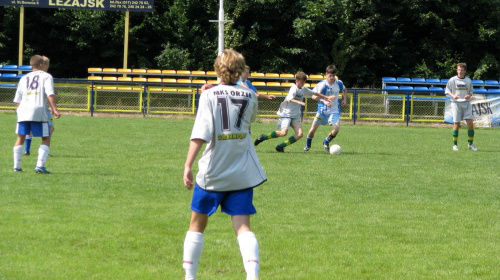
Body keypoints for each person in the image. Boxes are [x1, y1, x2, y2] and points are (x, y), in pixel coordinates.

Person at [182, 49, 267, 280]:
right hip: (241, 171)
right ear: (240, 70)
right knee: (243, 227)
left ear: (218, 69)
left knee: (197, 224)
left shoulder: (208, 95)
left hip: (213, 171)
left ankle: (189, 276)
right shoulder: (250, 95)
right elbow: (249, 122)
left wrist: (188, 165)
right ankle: (252, 276)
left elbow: (201, 134)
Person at [253, 71, 334, 152]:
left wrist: (326, 97)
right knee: (283, 133)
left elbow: (314, 93)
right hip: (286, 114)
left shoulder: (303, 89)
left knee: (300, 134)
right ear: (296, 80)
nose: (303, 84)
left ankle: (280, 146)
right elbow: (290, 99)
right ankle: (263, 137)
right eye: (301, 82)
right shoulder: (293, 88)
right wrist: (300, 102)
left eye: (304, 82)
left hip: (295, 116)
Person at [13, 55, 60, 173]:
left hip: (23, 110)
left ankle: (16, 167)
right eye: (46, 64)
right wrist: (54, 109)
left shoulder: (23, 78)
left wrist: (20, 112)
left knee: (20, 137)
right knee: (46, 137)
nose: (47, 67)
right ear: (41, 65)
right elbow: (50, 93)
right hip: (38, 110)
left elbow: (17, 99)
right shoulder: (46, 76)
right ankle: (39, 165)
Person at [303, 65, 348, 152]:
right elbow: (313, 96)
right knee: (312, 130)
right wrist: (324, 101)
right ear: (326, 74)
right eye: (330, 75)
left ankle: (326, 141)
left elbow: (345, 90)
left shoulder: (339, 83)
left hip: (334, 110)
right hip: (322, 111)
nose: (331, 77)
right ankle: (308, 145)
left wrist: (344, 100)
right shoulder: (321, 85)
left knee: (336, 129)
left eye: (333, 75)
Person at [24, 56, 55, 156]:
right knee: (50, 128)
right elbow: (48, 94)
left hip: (28, 106)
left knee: (29, 129)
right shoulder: (46, 76)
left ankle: (26, 150)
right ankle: (45, 151)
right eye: (48, 63)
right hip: (41, 107)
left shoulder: (28, 76)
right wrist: (52, 107)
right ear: (44, 65)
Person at [445, 62, 477, 151]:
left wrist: (469, 95)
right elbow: (447, 91)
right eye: (458, 69)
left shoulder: (468, 80)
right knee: (456, 123)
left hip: (466, 103)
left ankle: (470, 144)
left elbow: (471, 91)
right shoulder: (452, 80)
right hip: (456, 103)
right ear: (457, 70)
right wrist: (453, 96)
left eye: (462, 70)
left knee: (470, 124)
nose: (460, 71)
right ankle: (455, 145)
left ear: (465, 71)